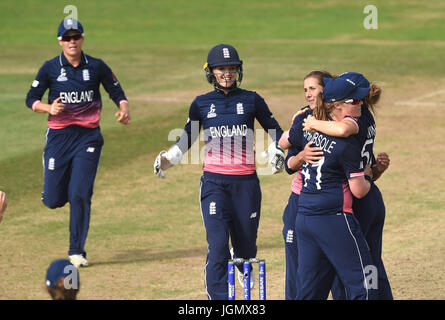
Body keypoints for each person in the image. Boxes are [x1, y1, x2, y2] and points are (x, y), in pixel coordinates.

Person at [153, 44, 285, 300]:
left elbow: (276, 131)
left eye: (232, 68)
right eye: (221, 69)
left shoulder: (252, 99)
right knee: (217, 246)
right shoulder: (201, 104)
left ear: (238, 71)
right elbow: (187, 137)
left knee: (246, 250)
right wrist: (169, 157)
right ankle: (220, 298)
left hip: (246, 184)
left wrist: (277, 150)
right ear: (211, 72)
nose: (227, 73)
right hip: (215, 183)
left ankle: (241, 263)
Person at [25, 18, 130, 268]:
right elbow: (31, 98)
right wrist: (49, 107)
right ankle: (52, 191)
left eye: (76, 37)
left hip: (88, 138)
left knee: (80, 193)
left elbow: (116, 90)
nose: (72, 42)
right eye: (67, 38)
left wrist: (124, 108)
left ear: (82, 38)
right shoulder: (51, 68)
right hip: (59, 139)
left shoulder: (95, 66)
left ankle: (77, 250)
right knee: (53, 200)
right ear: (60, 41)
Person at [302, 72, 393, 299]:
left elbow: (342, 130)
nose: (360, 103)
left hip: (355, 201)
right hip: (370, 197)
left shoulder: (350, 123)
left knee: (352, 272)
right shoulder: (367, 117)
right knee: (371, 266)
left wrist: (312, 122)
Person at [278, 70, 331, 300]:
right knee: (295, 265)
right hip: (299, 199)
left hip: (330, 201)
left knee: (332, 267)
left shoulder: (338, 119)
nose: (308, 94)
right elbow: (288, 164)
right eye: (305, 89)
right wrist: (302, 156)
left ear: (325, 89)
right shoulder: (301, 118)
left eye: (313, 88)